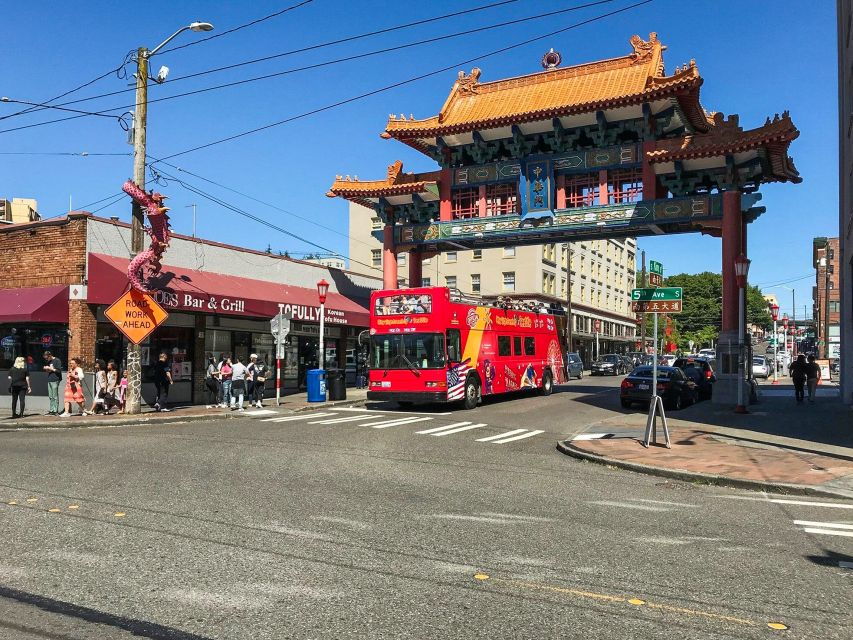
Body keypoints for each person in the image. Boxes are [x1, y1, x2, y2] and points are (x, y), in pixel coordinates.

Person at [42, 351, 62, 416]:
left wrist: (50, 368)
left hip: (55, 379)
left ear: (50, 356)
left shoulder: (57, 360)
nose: (46, 359)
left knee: (55, 396)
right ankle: (51, 410)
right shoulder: (49, 361)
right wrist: (46, 369)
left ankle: (55, 410)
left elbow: (58, 371)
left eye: (47, 358)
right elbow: (49, 371)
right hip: (50, 379)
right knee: (50, 396)